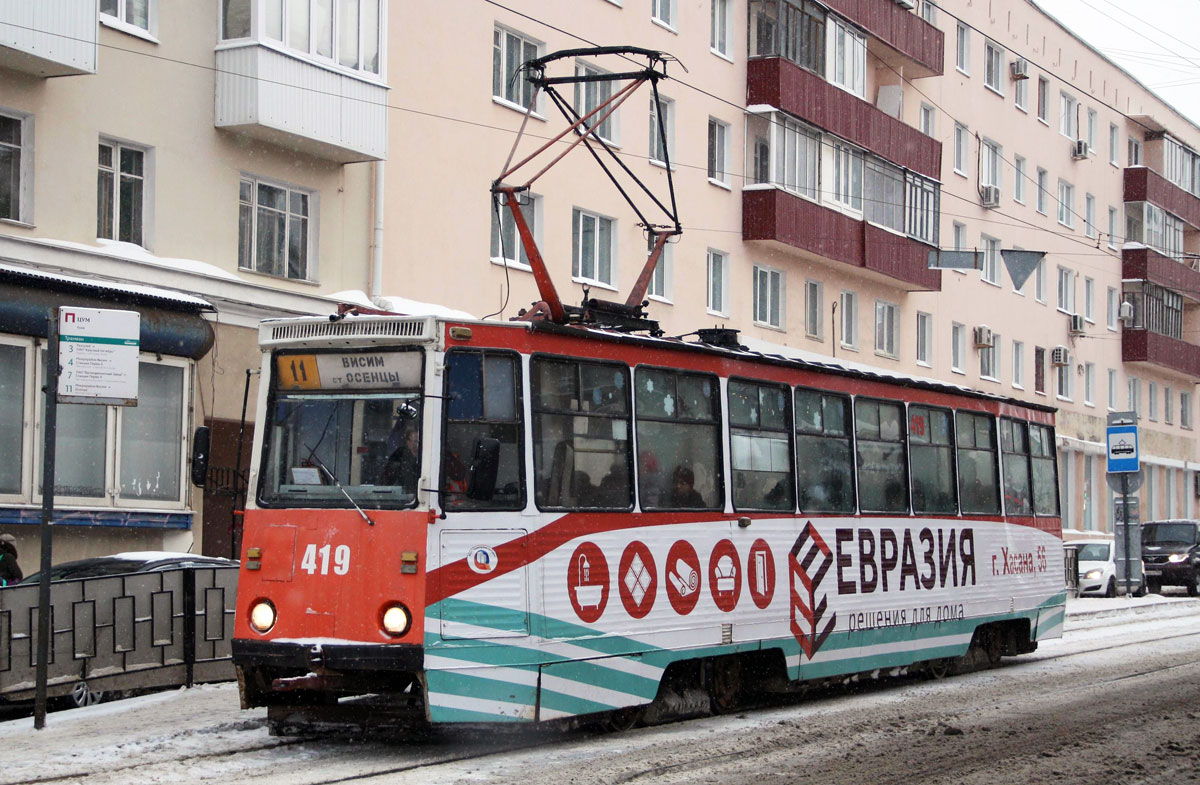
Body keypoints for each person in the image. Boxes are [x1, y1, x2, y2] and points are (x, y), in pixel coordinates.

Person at [381, 424, 420, 491]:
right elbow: (387, 478)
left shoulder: (425, 456)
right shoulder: (399, 455)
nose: (415, 445)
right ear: (407, 441)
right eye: (413, 441)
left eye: (418, 442)